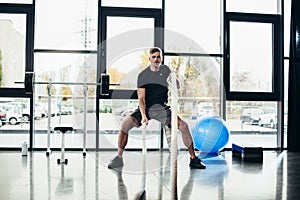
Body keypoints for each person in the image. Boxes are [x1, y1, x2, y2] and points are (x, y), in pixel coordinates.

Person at [108, 47, 206, 169]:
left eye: (158, 57)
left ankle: (193, 159)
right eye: (153, 57)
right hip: (146, 108)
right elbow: (141, 99)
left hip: (162, 109)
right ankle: (119, 158)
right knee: (125, 125)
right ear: (149, 59)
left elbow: (177, 86)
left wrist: (174, 79)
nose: (156, 59)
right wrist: (143, 116)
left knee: (184, 126)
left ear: (162, 58)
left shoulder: (165, 70)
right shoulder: (143, 75)